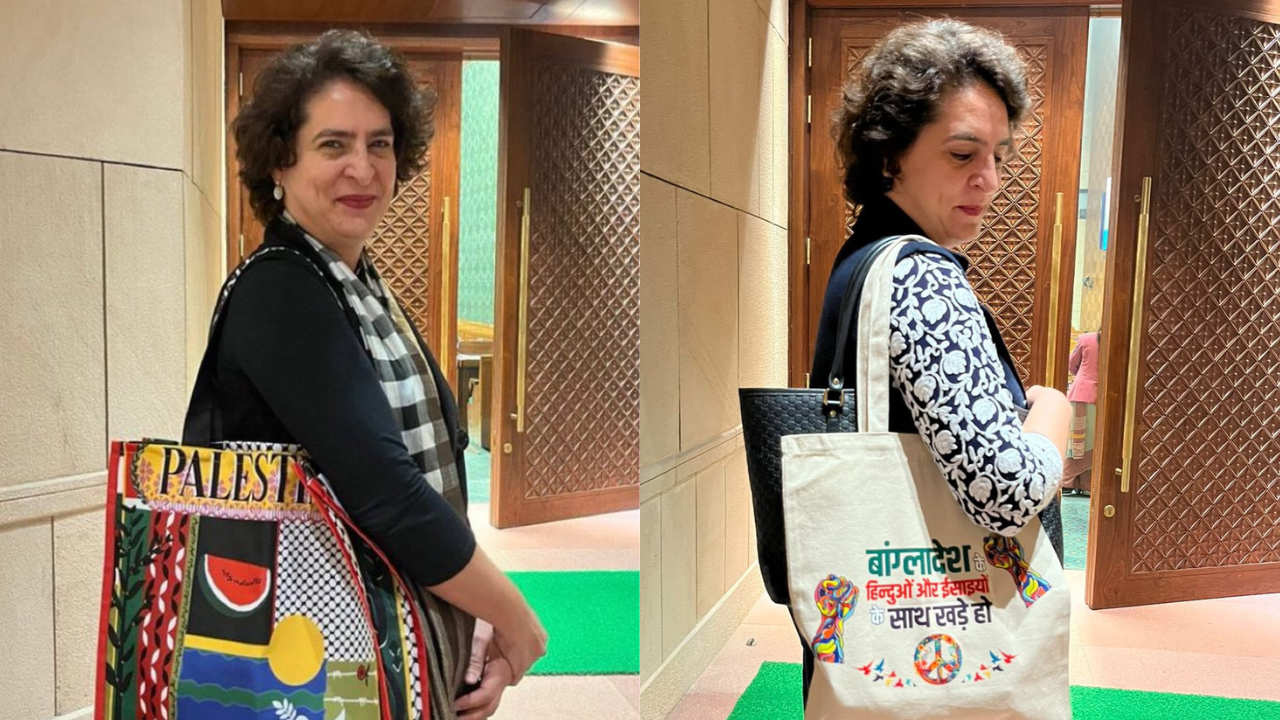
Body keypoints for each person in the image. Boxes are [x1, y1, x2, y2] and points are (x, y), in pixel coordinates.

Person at [187, 30, 546, 720]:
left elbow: (427, 480)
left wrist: (466, 621)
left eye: (379, 143)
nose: (363, 167)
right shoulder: (282, 292)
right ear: (278, 167)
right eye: (333, 144)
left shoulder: (360, 287)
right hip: (308, 647)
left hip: (389, 627)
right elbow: (388, 496)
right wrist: (516, 620)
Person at [808, 18, 1071, 704]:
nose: (988, 180)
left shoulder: (863, 257)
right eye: (962, 154)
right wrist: (1054, 411)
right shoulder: (924, 278)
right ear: (891, 153)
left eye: (999, 155)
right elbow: (1002, 492)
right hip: (942, 622)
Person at [1064, 330, 1101, 494]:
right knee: (1093, 441)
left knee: (1079, 442)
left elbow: (1072, 364)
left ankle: (1068, 481)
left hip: (1081, 392)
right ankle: (1082, 484)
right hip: (1104, 395)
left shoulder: (1086, 339)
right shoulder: (1116, 341)